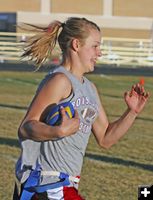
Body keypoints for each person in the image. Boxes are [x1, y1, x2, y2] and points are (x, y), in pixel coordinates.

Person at [14, 17, 149, 200]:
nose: (99, 53)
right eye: (95, 46)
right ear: (76, 45)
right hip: (48, 185)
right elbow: (26, 127)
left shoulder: (90, 88)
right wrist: (57, 131)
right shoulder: (59, 81)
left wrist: (131, 112)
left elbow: (106, 138)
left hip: (66, 186)